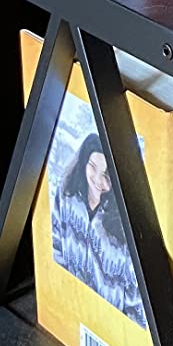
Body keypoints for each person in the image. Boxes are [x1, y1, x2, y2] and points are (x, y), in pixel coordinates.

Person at [50, 130, 146, 326]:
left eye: (107, 175)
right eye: (93, 166)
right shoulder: (67, 195)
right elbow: (56, 245)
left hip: (110, 326)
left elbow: (135, 299)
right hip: (69, 312)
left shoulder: (126, 225)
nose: (97, 180)